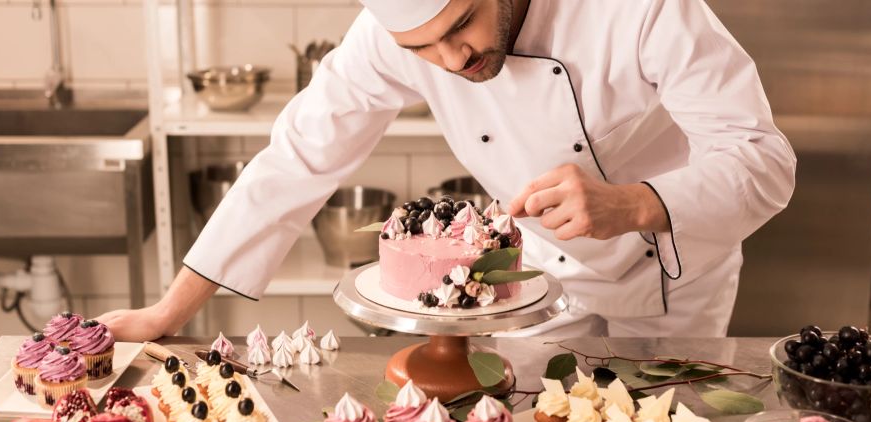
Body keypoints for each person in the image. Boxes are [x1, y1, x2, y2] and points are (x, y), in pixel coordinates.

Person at [98, 0, 796, 341]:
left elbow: (764, 161)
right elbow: (296, 159)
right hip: (538, 284)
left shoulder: (637, 8)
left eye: (463, 21)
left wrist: (635, 203)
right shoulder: (388, 40)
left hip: (674, 284)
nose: (452, 59)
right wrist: (168, 312)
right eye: (421, 48)